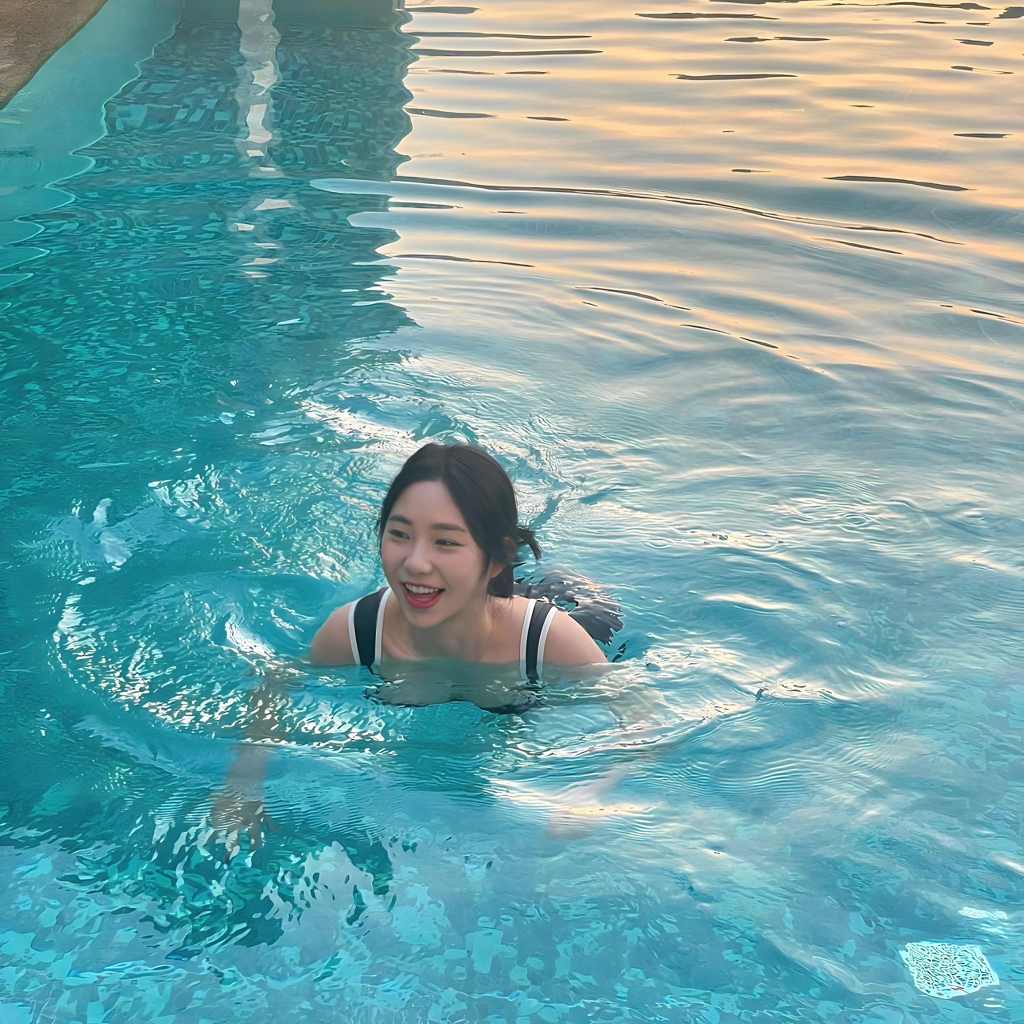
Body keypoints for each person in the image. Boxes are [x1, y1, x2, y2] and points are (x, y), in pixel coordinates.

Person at [308, 442, 606, 678]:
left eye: (445, 541)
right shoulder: (354, 633)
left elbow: (628, 716)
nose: (415, 564)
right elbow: (288, 694)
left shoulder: (552, 642)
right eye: (399, 534)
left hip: (573, 605)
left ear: (498, 558)